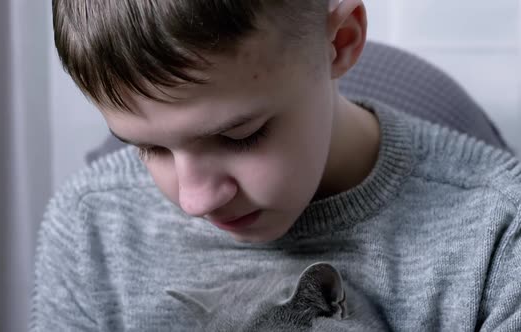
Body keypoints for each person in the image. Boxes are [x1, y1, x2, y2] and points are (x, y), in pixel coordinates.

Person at [31, 0, 521, 331]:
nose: (192, 199)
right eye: (148, 148)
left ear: (342, 41)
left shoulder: (497, 237)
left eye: (238, 135)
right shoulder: (89, 229)